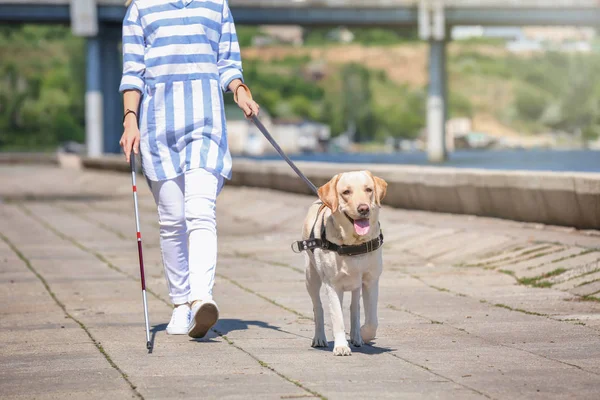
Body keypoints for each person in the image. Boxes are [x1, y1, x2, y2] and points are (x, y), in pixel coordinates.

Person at [118, 0, 259, 339]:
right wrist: (130, 120)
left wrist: (240, 91)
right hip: (158, 128)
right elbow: (133, 72)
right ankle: (180, 303)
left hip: (205, 124)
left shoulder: (216, 5)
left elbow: (228, 62)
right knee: (171, 221)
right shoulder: (140, 9)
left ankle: (201, 299)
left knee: (200, 212)